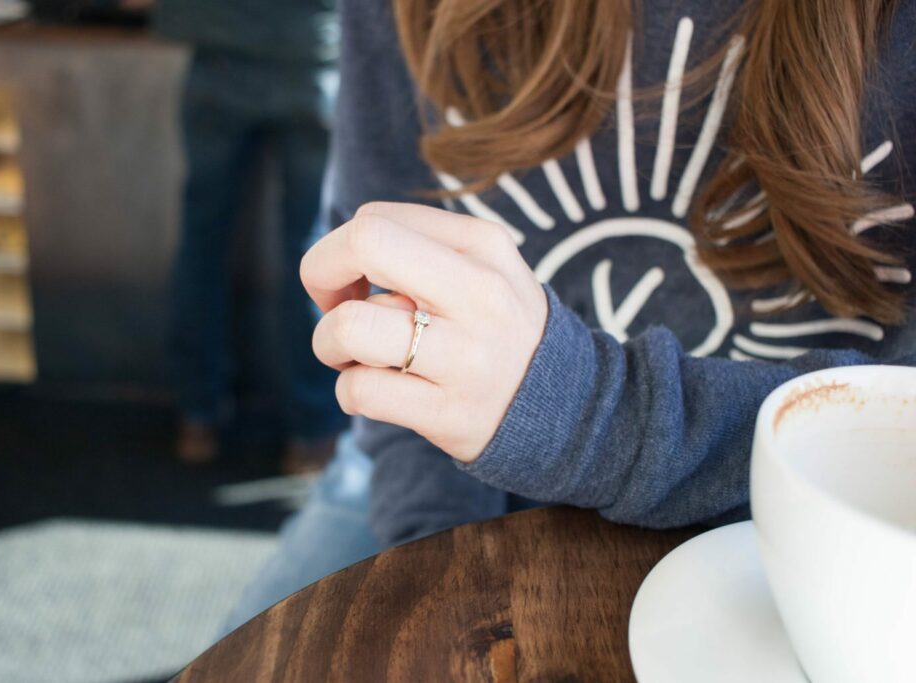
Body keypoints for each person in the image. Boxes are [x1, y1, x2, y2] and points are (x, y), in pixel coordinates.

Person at [223, 0, 916, 631]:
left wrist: (586, 412)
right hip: (440, 483)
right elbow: (390, 319)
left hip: (819, 540)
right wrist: (440, 563)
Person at [157, 0, 347, 466]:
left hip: (216, 44)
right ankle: (313, 432)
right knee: (314, 251)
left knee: (203, 239)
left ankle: (197, 415)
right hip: (313, 55)